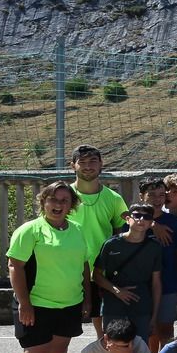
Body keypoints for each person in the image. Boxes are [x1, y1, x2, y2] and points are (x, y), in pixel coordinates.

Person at [9, 180, 90, 353]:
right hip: (36, 305)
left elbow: (84, 265)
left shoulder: (77, 230)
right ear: (43, 201)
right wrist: (24, 303)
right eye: (53, 199)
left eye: (64, 200)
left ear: (72, 205)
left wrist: (86, 298)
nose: (58, 205)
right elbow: (15, 266)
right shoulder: (30, 230)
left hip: (69, 304)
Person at [68, 145, 128, 339]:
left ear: (101, 164)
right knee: (62, 332)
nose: (88, 166)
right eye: (82, 162)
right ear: (73, 166)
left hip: (102, 272)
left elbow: (122, 233)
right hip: (68, 271)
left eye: (93, 161)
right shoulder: (63, 197)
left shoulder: (114, 198)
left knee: (104, 332)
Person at [94, 202, 163, 341]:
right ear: (128, 219)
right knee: (114, 348)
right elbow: (96, 275)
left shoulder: (155, 247)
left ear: (151, 223)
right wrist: (116, 291)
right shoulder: (111, 244)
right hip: (113, 305)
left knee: (141, 350)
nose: (141, 220)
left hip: (142, 305)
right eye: (137, 215)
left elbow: (156, 283)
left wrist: (154, 317)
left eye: (146, 217)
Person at [151, 174, 177, 351]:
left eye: (174, 192)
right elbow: (128, 215)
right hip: (159, 279)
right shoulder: (155, 216)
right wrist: (153, 224)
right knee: (153, 329)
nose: (167, 195)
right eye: (166, 190)